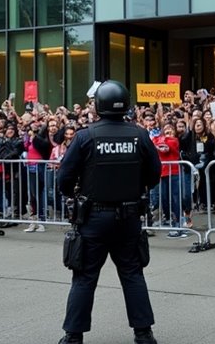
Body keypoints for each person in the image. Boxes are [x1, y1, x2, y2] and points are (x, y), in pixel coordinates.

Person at [56, 80, 162, 344]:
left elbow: (64, 179)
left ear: (98, 105)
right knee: (132, 274)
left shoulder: (85, 136)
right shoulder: (139, 135)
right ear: (125, 103)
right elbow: (155, 174)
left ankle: (73, 337)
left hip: (93, 217)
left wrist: (76, 193)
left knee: (84, 278)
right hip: (128, 218)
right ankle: (143, 334)